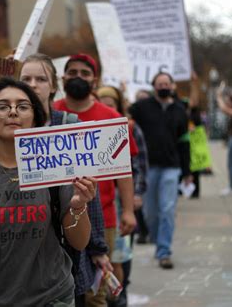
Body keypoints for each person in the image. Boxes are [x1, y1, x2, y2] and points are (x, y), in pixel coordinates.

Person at [0, 53, 109, 306]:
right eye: (3, 106)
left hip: (52, 296)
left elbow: (79, 241)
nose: (13, 112)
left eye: (23, 106)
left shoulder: (56, 169)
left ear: (36, 120)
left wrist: (79, 205)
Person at [53, 53, 138, 306]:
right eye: (73, 72)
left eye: (85, 73)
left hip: (104, 219)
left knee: (94, 293)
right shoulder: (49, 113)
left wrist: (129, 211)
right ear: (63, 77)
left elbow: (124, 171)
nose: (78, 77)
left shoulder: (111, 118)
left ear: (95, 80)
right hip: (55, 217)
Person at [128, 72, 192, 270]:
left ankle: (164, 251)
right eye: (159, 83)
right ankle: (157, 240)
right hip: (148, 168)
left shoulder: (180, 109)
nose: (163, 86)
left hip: (171, 167)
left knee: (167, 209)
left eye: (167, 83)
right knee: (150, 213)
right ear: (153, 86)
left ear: (172, 86)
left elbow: (184, 142)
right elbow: (124, 116)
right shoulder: (141, 107)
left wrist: (187, 170)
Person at [97, 86, 148, 307]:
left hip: (118, 200)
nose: (106, 108)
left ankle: (119, 294)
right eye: (103, 104)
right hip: (97, 199)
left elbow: (137, 165)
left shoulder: (128, 128)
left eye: (111, 105)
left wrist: (135, 195)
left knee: (119, 253)